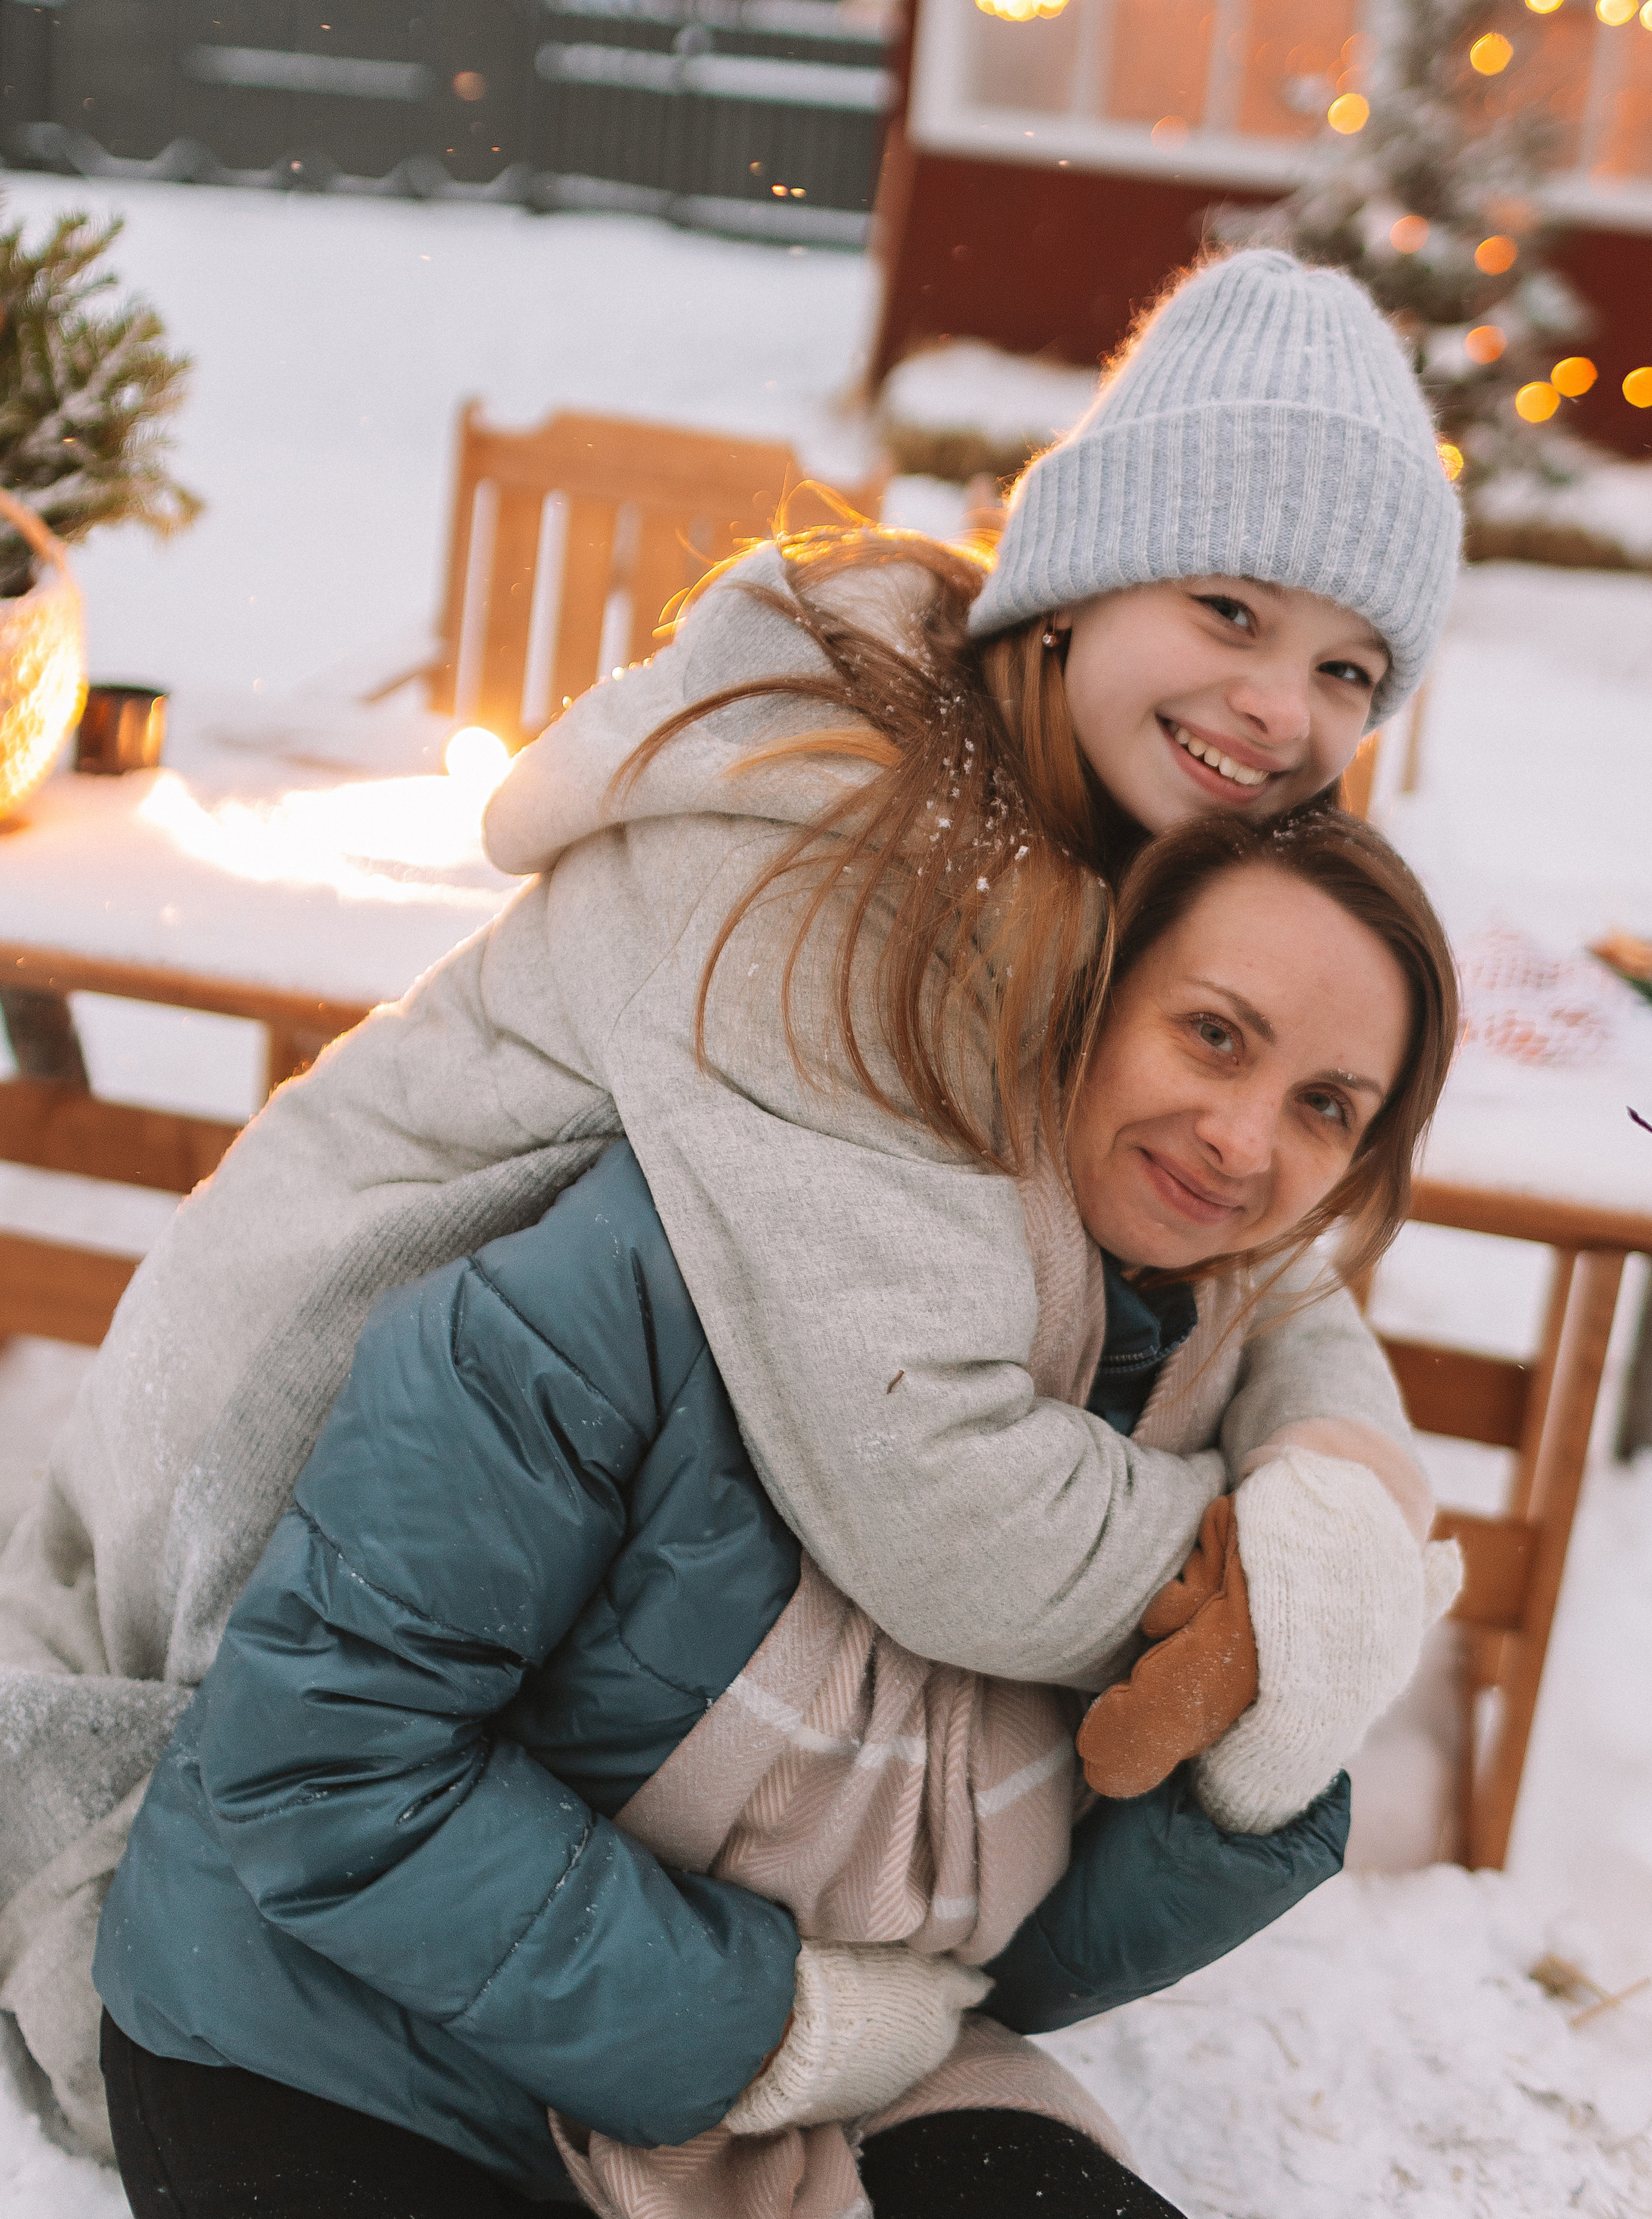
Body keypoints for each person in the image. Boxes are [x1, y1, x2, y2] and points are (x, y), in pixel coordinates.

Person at [0, 246, 1464, 2154]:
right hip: (286, 1525)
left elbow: (1256, 1243)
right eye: (1231, 608)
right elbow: (932, 1491)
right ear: (1081, 580)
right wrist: (1245, 1593)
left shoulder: (1073, 831)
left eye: (1348, 668)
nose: (1281, 707)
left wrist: (1340, 1465)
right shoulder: (844, 856)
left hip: (549, 1583)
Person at [94, 809, 1463, 2219]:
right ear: (1086, 997)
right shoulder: (662, 1265)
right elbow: (318, 1764)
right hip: (340, 2037)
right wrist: (771, 2027)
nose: (1241, 1138)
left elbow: (1009, 1959)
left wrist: (1251, 1772)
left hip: (838, 2073)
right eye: (1214, 1035)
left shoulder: (1197, 1409)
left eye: (1324, 1107)